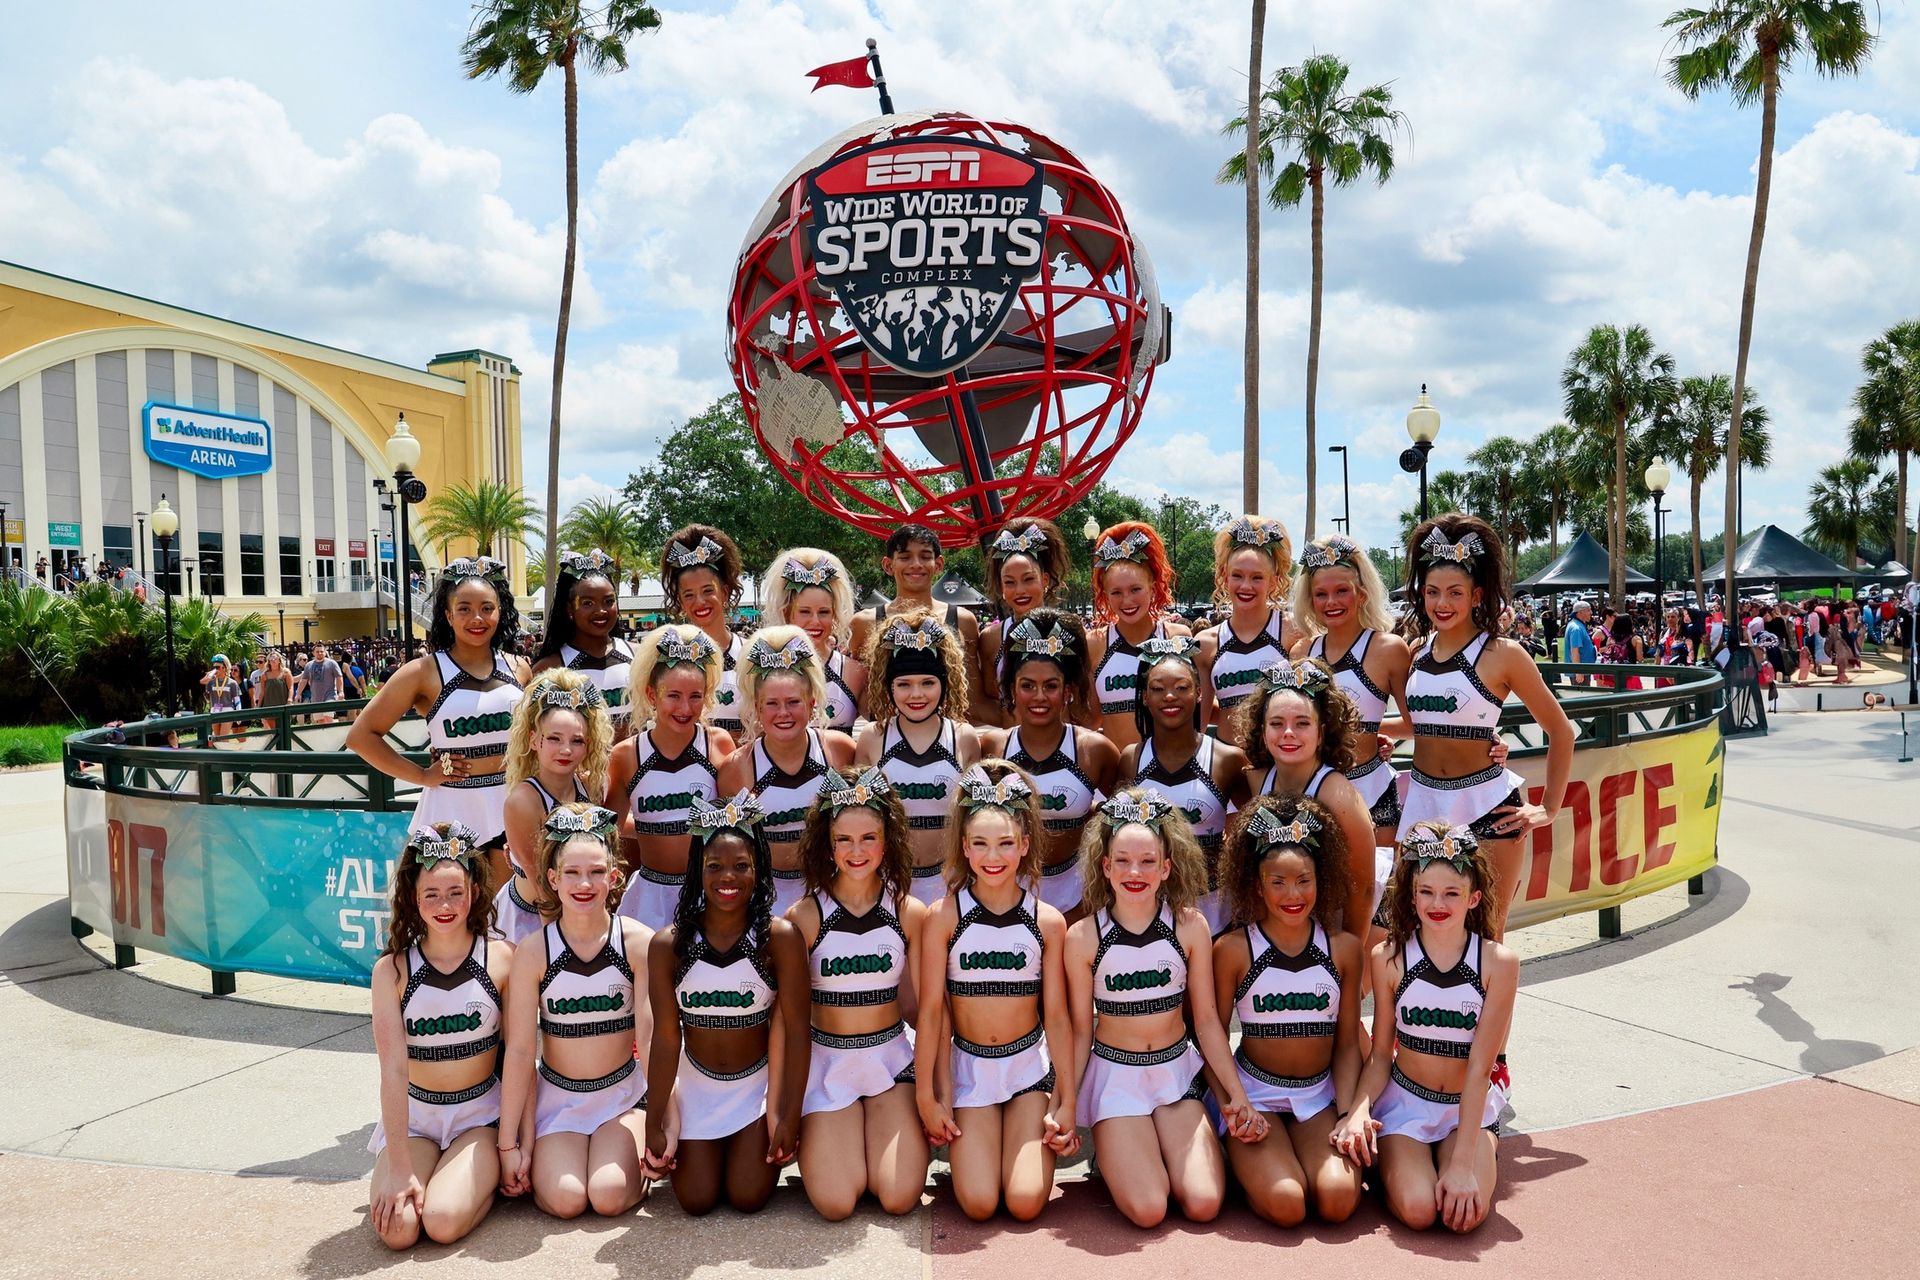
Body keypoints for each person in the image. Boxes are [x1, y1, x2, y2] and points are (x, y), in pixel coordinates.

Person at [1064, 790, 1259, 1228]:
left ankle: (1148, 1152)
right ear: (1105, 866)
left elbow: (1208, 1022)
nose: (1136, 872)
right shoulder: (1083, 936)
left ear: (1167, 867)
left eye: (1149, 861)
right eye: (1124, 861)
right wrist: (1066, 1104)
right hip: (1117, 1079)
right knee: (1150, 1209)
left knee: (1205, 1203)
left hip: (1175, 1074)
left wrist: (1236, 1095)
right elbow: (1080, 1032)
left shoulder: (1190, 925)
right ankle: (1119, 1154)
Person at [1333, 823, 1518, 1234]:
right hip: (1406, 1105)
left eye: (1452, 893)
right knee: (1419, 1211)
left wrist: (1464, 1165)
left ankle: (1477, 1147)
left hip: (1464, 1109)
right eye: (1427, 892)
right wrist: (1359, 1111)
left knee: (1462, 1218)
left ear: (1474, 898)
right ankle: (1393, 1166)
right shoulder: (1387, 957)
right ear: (1411, 895)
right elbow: (1381, 1055)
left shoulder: (1499, 963)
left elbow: (1479, 1069)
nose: (1438, 903)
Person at [916, 762, 1078, 1222]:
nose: (994, 856)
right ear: (964, 846)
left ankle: (1015, 1143)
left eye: (1006, 843)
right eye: (982, 843)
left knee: (1025, 1203)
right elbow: (932, 1013)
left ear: (1025, 845)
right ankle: (979, 1156)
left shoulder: (1047, 921)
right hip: (970, 1072)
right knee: (980, 1204)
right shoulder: (943, 916)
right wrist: (929, 1098)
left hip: (1027, 1069)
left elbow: (1059, 1018)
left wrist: (1065, 1099)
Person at [1397, 516, 1572, 940]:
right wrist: (1373, 739)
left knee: (1486, 938)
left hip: (1488, 807)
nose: (1443, 603)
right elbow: (1423, 724)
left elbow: (1561, 731)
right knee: (1417, 933)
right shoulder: (1416, 650)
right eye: (1433, 592)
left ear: (1476, 596)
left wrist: (1547, 808)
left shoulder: (1503, 654)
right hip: (1422, 804)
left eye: (1455, 593)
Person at [643, 793, 810, 1215]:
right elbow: (666, 1038)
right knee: (695, 1201)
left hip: (756, 1088)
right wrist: (654, 1117)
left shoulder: (779, 938)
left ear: (759, 869)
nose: (727, 878)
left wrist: (789, 1114)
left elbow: (797, 1032)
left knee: (747, 1196)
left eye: (741, 866)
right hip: (696, 1086)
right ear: (698, 871)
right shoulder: (670, 945)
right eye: (714, 867)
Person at [1211, 796, 1365, 1226]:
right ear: (1257, 886)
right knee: (1287, 1204)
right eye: (1277, 882)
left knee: (1336, 1201)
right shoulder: (1233, 949)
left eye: (1303, 880)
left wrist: (1349, 1111)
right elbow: (1211, 1039)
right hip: (1255, 1094)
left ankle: (1291, 1154)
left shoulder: (1345, 950)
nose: (1292, 894)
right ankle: (1244, 1155)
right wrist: (1234, 1105)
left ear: (1321, 879)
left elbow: (1349, 1044)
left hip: (1318, 1096)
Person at [787, 767, 930, 1219]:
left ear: (887, 841)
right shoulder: (804, 916)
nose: (856, 850)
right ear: (827, 844)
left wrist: (933, 1093)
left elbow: (921, 1010)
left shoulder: (909, 913)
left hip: (889, 1062)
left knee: (898, 1197)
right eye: (844, 839)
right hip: (828, 1064)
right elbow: (788, 1022)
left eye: (868, 837)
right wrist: (786, 1110)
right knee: (835, 1203)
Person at [497, 804, 652, 1219]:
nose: (585, 884)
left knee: (608, 1196)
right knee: (566, 1201)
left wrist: (664, 1121)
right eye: (572, 873)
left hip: (620, 1097)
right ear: (552, 878)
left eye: (597, 872)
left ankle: (633, 1165)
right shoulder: (533, 952)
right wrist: (510, 1143)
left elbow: (653, 1039)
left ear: (615, 877)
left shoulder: (637, 942)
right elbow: (519, 1052)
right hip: (558, 1099)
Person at [367, 822, 514, 1249]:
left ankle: (476, 1185)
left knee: (442, 1222)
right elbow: (392, 1071)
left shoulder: (501, 959)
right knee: (398, 1232)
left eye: (455, 893)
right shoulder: (392, 970)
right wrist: (397, 1167)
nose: (445, 905)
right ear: (414, 899)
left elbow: (521, 1053)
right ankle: (436, 1175)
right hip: (417, 1118)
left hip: (478, 1116)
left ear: (474, 892)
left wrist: (512, 1143)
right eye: (432, 894)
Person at [347, 557, 530, 889]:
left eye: (487, 608)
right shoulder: (424, 672)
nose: (477, 618)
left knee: (507, 920)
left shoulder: (520, 669)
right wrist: (420, 775)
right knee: (452, 919)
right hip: (450, 809)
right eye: (464, 609)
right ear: (447, 615)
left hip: (512, 806)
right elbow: (361, 736)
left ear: (500, 611)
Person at [979, 609, 1121, 921]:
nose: (1039, 697)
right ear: (1011, 690)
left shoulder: (1094, 751)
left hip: (1078, 898)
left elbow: (1122, 817)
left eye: (1051, 686)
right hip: (1007, 895)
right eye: (1027, 685)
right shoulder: (993, 748)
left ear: (1068, 691)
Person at [717, 627, 857, 917]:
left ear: (812, 702)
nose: (784, 713)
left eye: (794, 702)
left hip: (831, 893)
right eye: (772, 704)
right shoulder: (736, 767)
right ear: (757, 707)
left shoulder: (840, 751)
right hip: (767, 898)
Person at [1237, 659, 1378, 939]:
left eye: (1302, 723)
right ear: (1262, 731)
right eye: (1276, 723)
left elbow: (1363, 888)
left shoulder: (1337, 795)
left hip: (1336, 926)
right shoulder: (1255, 779)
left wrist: (1348, 956)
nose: (1288, 733)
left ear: (1322, 731)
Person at [1118, 636, 1249, 933]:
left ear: (1200, 693)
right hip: (1148, 911)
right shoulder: (1131, 760)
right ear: (1144, 697)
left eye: (1181, 688)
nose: (1169, 697)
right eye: (1158, 689)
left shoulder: (1226, 759)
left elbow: (1253, 825)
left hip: (1215, 911)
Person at [609, 625, 736, 931]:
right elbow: (610, 828)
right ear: (652, 694)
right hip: (650, 895)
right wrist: (654, 828)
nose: (684, 708)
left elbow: (737, 823)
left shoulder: (718, 744)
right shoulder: (627, 755)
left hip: (710, 894)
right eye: (673, 696)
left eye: (695, 696)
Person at [1292, 532, 1411, 852]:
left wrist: (1371, 731)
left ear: (1361, 594)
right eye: (1321, 594)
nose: (1331, 602)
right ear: (1310, 599)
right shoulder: (1301, 653)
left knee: (1379, 893)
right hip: (1314, 792)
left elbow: (1416, 724)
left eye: (1341, 591)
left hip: (1373, 789)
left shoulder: (1388, 649)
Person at [855, 610, 982, 904]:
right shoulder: (873, 739)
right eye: (904, 684)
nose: (916, 694)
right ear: (888, 685)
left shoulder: (964, 738)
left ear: (945, 682)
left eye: (928, 682)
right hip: (890, 884)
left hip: (952, 885)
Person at [496, 673, 612, 943]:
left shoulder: (589, 787)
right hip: (530, 921)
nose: (566, 750)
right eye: (554, 739)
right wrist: (560, 946)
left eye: (577, 741)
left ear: (589, 745)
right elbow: (541, 886)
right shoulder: (523, 801)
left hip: (578, 914)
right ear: (535, 740)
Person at [848, 523, 984, 721]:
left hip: (947, 738)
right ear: (888, 565)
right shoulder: (864, 623)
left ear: (938, 564)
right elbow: (856, 693)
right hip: (886, 739)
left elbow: (973, 698)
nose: (916, 564)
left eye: (925, 556)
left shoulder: (963, 621)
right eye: (904, 557)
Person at [1085, 522, 1192, 751]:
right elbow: (1090, 720)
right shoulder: (1094, 643)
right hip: (1117, 777)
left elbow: (1196, 706)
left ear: (1153, 588)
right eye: (1116, 593)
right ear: (1105, 594)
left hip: (1174, 773)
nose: (1127, 601)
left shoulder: (1177, 636)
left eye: (1135, 589)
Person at [1196, 515, 1299, 732]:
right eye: (1237, 575)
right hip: (1225, 762)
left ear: (1273, 581)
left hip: (1279, 764)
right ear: (1224, 577)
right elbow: (1198, 723)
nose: (1246, 586)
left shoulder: (1293, 632)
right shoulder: (1205, 644)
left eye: (1257, 578)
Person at [974, 519, 1072, 726]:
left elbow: (1083, 698)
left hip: (1064, 747)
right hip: (1012, 749)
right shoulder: (991, 639)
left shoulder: (1070, 630)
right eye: (1010, 582)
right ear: (1001, 586)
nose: (1020, 590)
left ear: (1045, 580)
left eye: (1028, 579)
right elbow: (990, 700)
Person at [532, 549, 636, 737]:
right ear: (570, 609)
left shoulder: (638, 655)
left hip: (637, 766)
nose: (601, 611)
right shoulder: (550, 668)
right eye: (588, 603)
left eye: (608, 601)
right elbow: (528, 731)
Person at [760, 548, 865, 733]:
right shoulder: (762, 668)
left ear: (834, 614)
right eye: (805, 612)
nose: (815, 621)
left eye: (823, 612)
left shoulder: (854, 672)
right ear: (786, 613)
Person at [661, 525, 749, 738]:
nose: (699, 602)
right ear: (680, 601)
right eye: (689, 595)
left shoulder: (750, 654)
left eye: (708, 591)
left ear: (725, 592)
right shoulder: (665, 656)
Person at [200, 655, 243, 740]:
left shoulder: (232, 683)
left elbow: (237, 700)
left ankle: (224, 753)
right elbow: (202, 682)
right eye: (214, 667)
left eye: (218, 667)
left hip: (227, 710)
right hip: (215, 710)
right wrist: (210, 675)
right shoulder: (211, 681)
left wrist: (239, 714)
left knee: (223, 738)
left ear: (224, 668)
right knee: (217, 738)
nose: (215, 669)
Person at [1562, 601, 1596, 683]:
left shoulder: (1579, 625)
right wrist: (1578, 672)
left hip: (1584, 670)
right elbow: (1574, 651)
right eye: (1588, 610)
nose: (1591, 613)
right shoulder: (1576, 628)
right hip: (1580, 673)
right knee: (1582, 695)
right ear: (1580, 612)